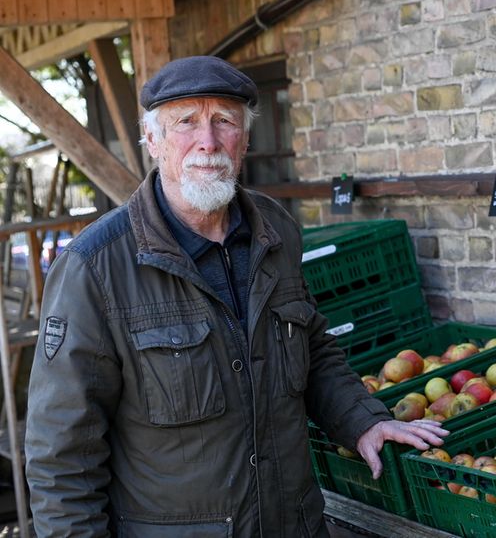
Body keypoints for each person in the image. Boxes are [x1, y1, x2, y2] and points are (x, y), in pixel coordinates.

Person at [24, 55, 447, 537]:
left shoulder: (276, 230)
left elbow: (310, 345)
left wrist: (362, 420)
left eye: (224, 121)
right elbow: (62, 457)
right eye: (186, 122)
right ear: (153, 141)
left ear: (244, 139)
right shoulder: (95, 268)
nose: (208, 141)